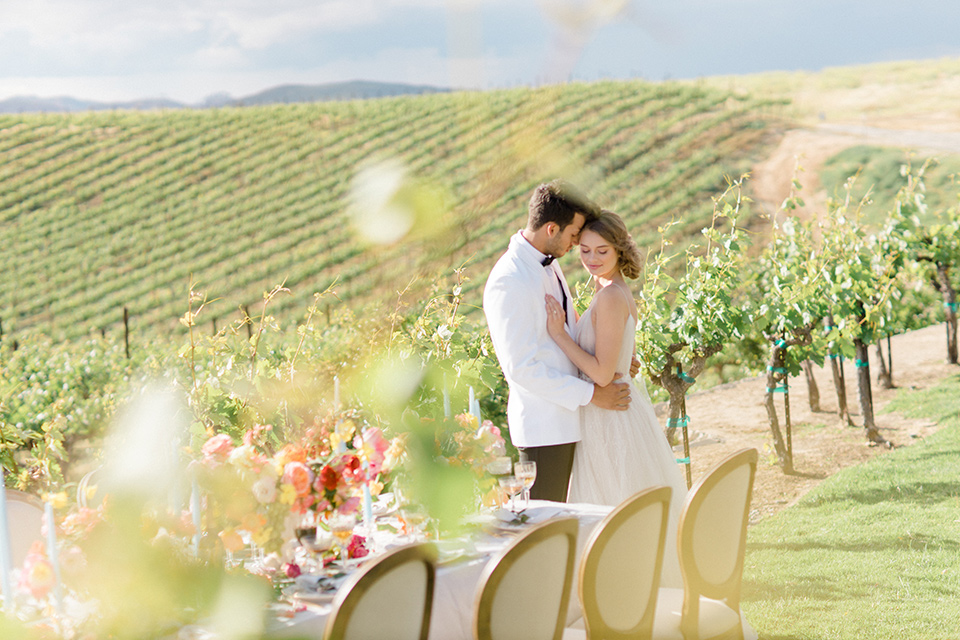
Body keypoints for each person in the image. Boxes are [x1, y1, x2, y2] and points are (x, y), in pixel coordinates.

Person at [545, 209, 688, 585]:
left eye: (601, 252)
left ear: (620, 251)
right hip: (614, 411)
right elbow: (613, 354)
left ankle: (626, 594)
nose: (591, 259)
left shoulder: (609, 297)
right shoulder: (611, 289)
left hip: (610, 417)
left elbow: (602, 374)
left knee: (615, 506)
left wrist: (559, 335)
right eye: (585, 251)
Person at [483, 180, 632, 503]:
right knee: (545, 532)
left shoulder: (548, 265)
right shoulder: (509, 280)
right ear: (552, 228)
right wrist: (592, 394)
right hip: (544, 431)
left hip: (573, 424)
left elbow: (563, 333)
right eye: (574, 234)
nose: (577, 243)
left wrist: (610, 356)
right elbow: (521, 369)